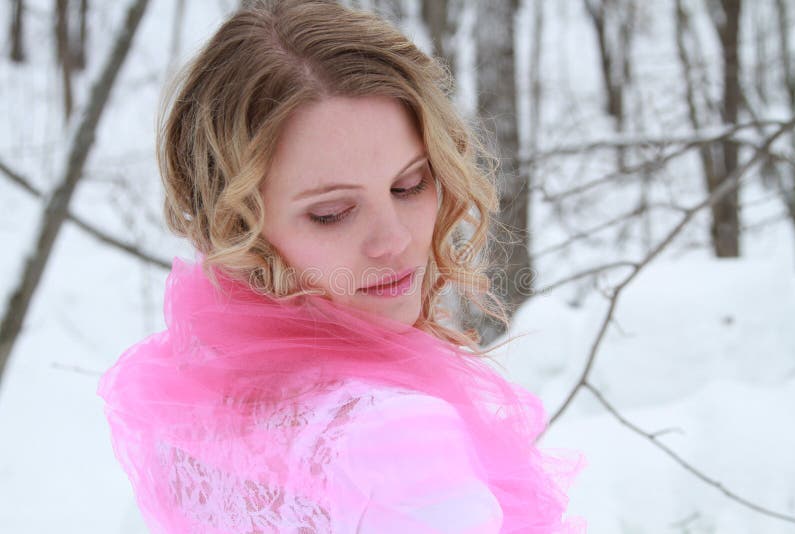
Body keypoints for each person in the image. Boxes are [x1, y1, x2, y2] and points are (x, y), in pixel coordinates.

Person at [98, 1, 585, 532]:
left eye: (410, 185)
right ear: (239, 224)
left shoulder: (193, 397)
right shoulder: (396, 438)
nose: (394, 240)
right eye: (331, 214)